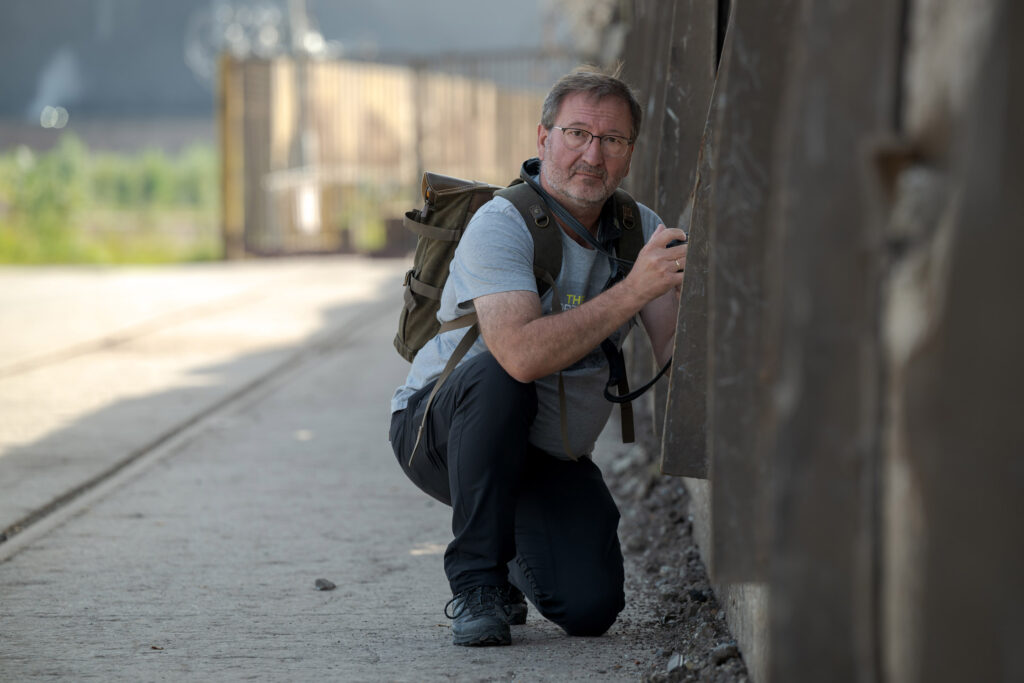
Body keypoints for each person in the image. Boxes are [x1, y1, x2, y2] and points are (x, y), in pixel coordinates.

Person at [388, 66, 688, 647]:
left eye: (612, 140)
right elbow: (520, 356)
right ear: (543, 138)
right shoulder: (500, 223)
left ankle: (516, 544)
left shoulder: (638, 232)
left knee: (591, 606)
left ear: (629, 154)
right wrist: (632, 291)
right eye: (577, 133)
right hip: (438, 433)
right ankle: (479, 582)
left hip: (545, 452)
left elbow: (674, 347)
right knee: (501, 377)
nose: (592, 155)